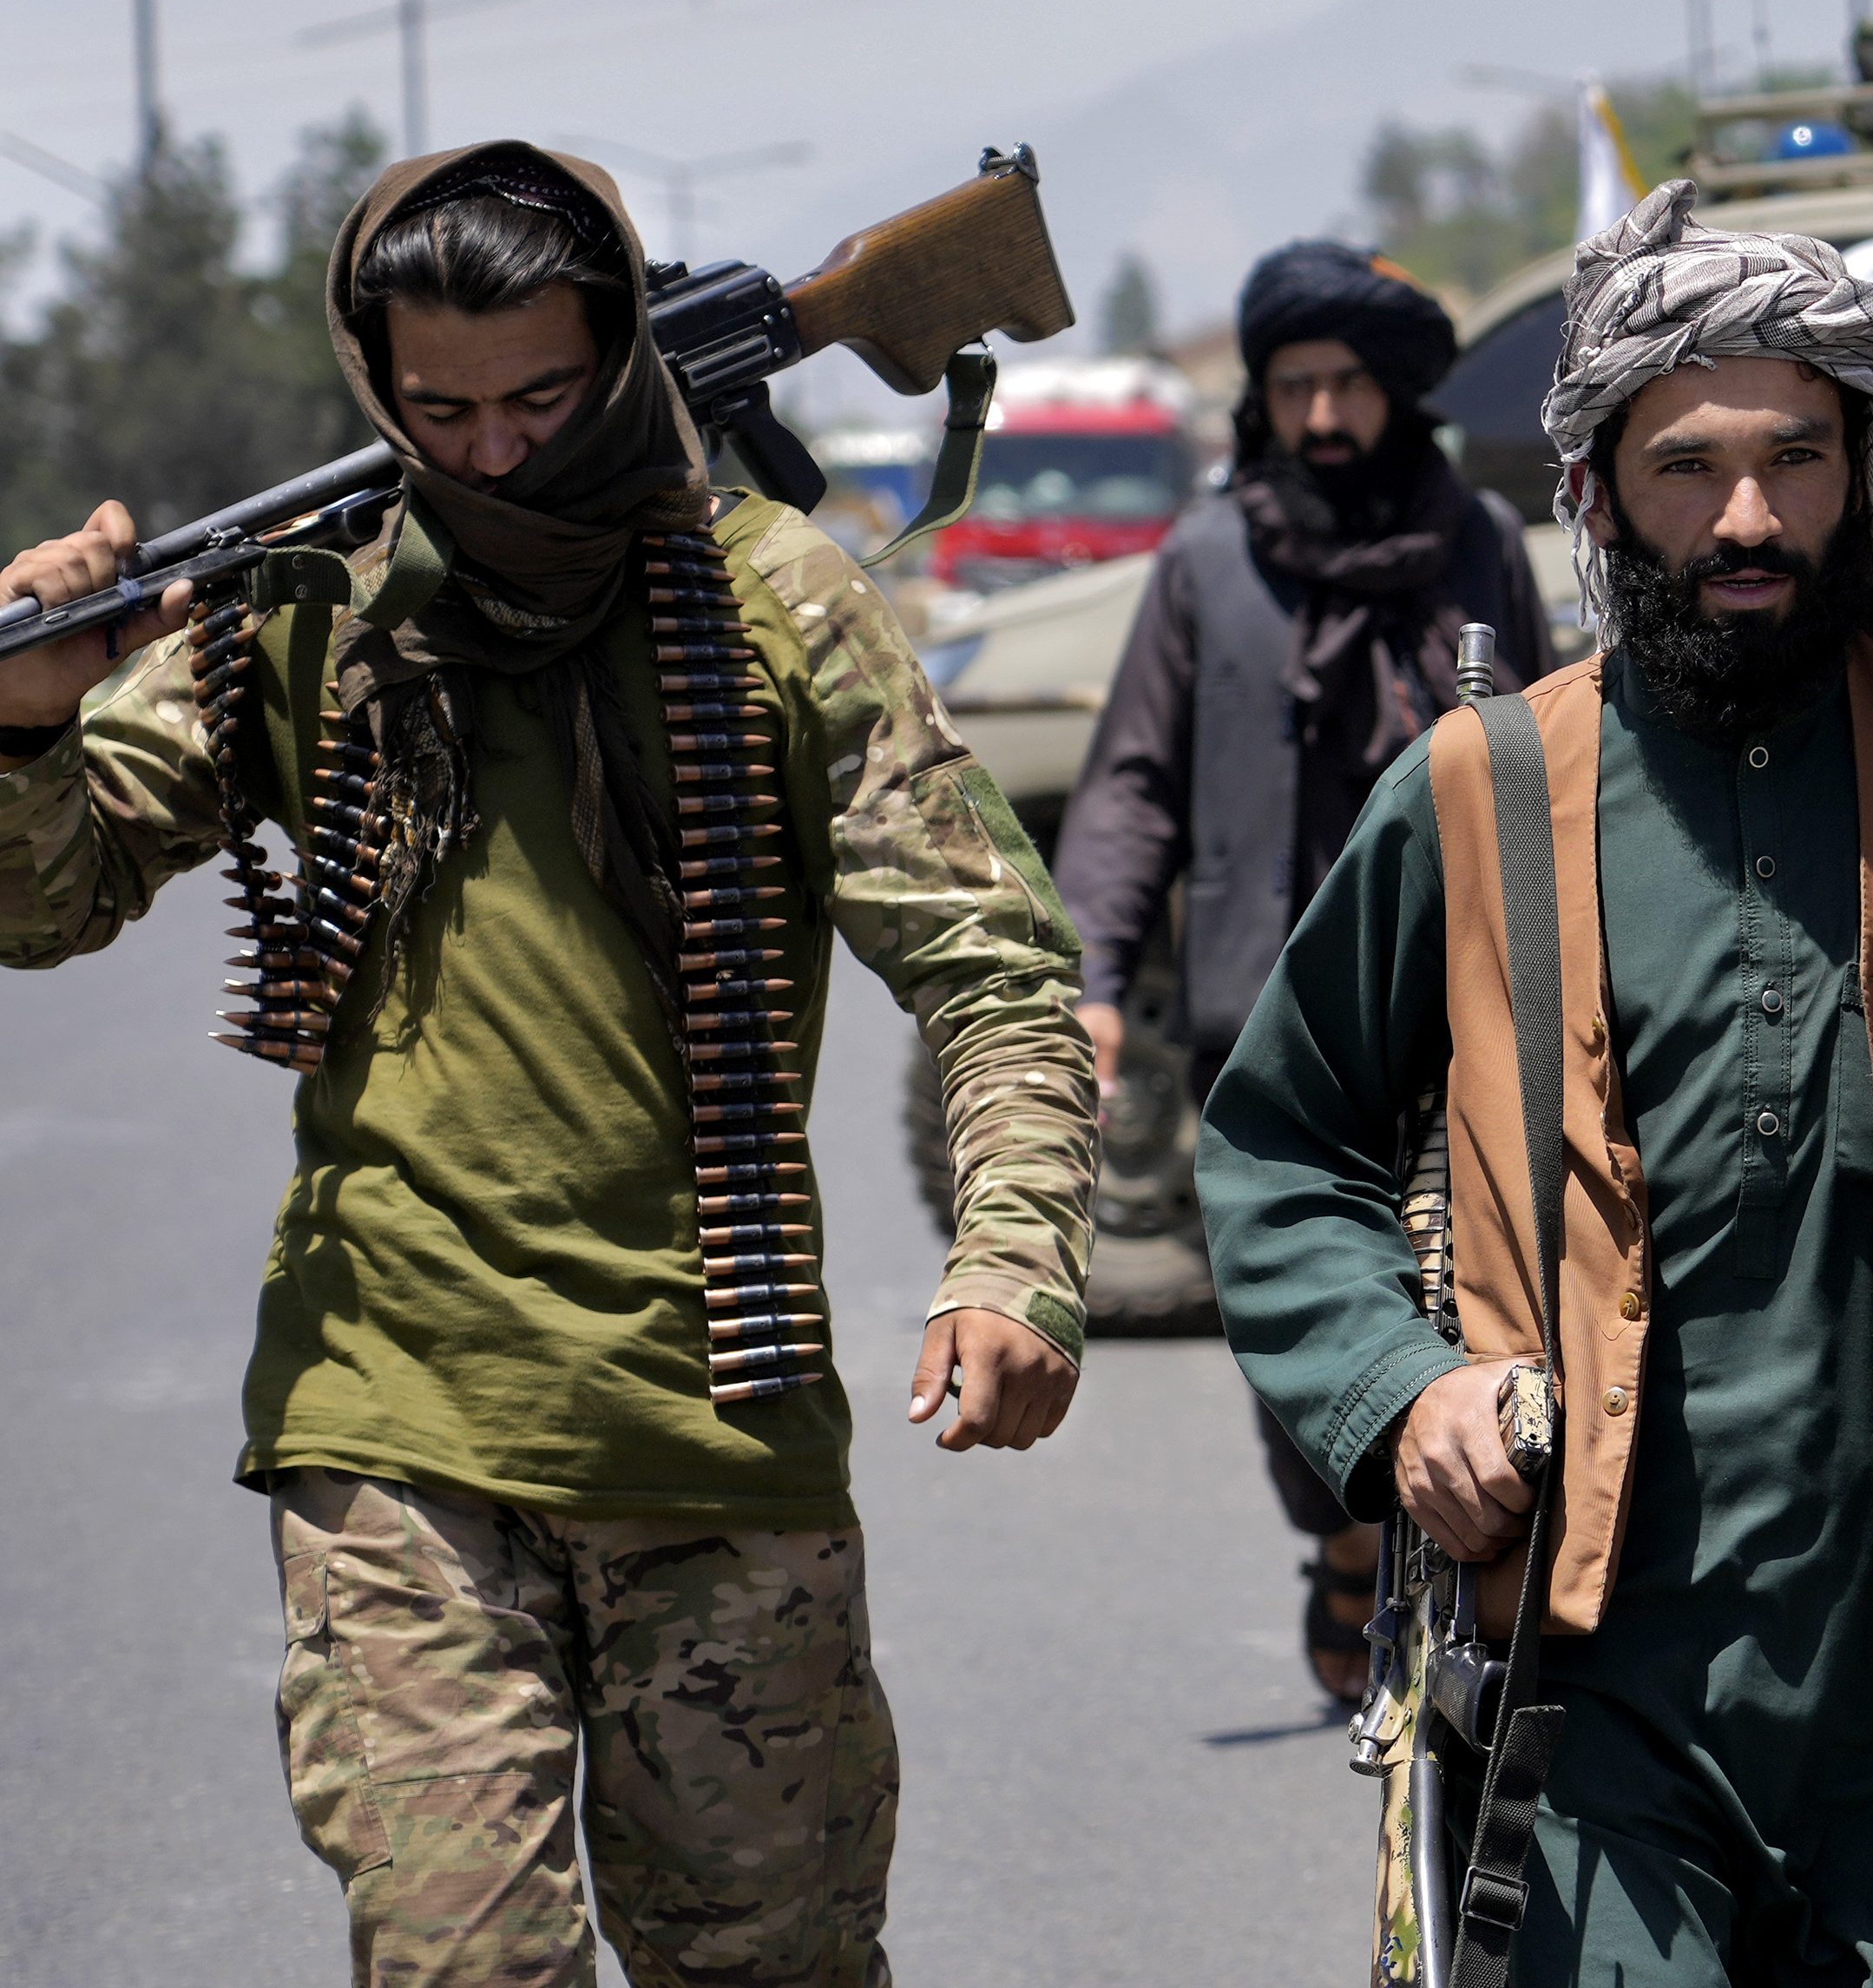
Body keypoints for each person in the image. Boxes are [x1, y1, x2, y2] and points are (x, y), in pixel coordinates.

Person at [0, 142, 1095, 1986]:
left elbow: (992, 960)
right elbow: (52, 901)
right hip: (395, 1426)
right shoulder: (307, 602)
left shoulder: (774, 598)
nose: (494, 454)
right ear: (371, 383)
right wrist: (25, 727)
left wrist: (1017, 1253)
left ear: (635, 351)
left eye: (542, 397)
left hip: (716, 1435)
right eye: (439, 410)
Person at [1198, 181, 1873, 1984]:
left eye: (1796, 459)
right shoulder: (1480, 792)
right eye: (1687, 468)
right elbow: (1280, 1141)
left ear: (1863, 469)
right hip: (1594, 1670)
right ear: (1599, 493)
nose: (1748, 517)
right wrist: (1398, 1391)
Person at [1057, 238, 1549, 1702]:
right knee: (1293, 1322)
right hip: (1264, 1031)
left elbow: (1539, 758)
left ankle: (1456, 1566)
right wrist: (1090, 971)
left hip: (1457, 1015)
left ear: (1397, 396)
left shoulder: (1477, 548)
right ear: (1259, 403)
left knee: (1468, 1305)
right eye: (1294, 389)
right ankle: (1348, 1538)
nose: (1323, 418)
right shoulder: (1206, 562)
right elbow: (1133, 783)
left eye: (1347, 386)